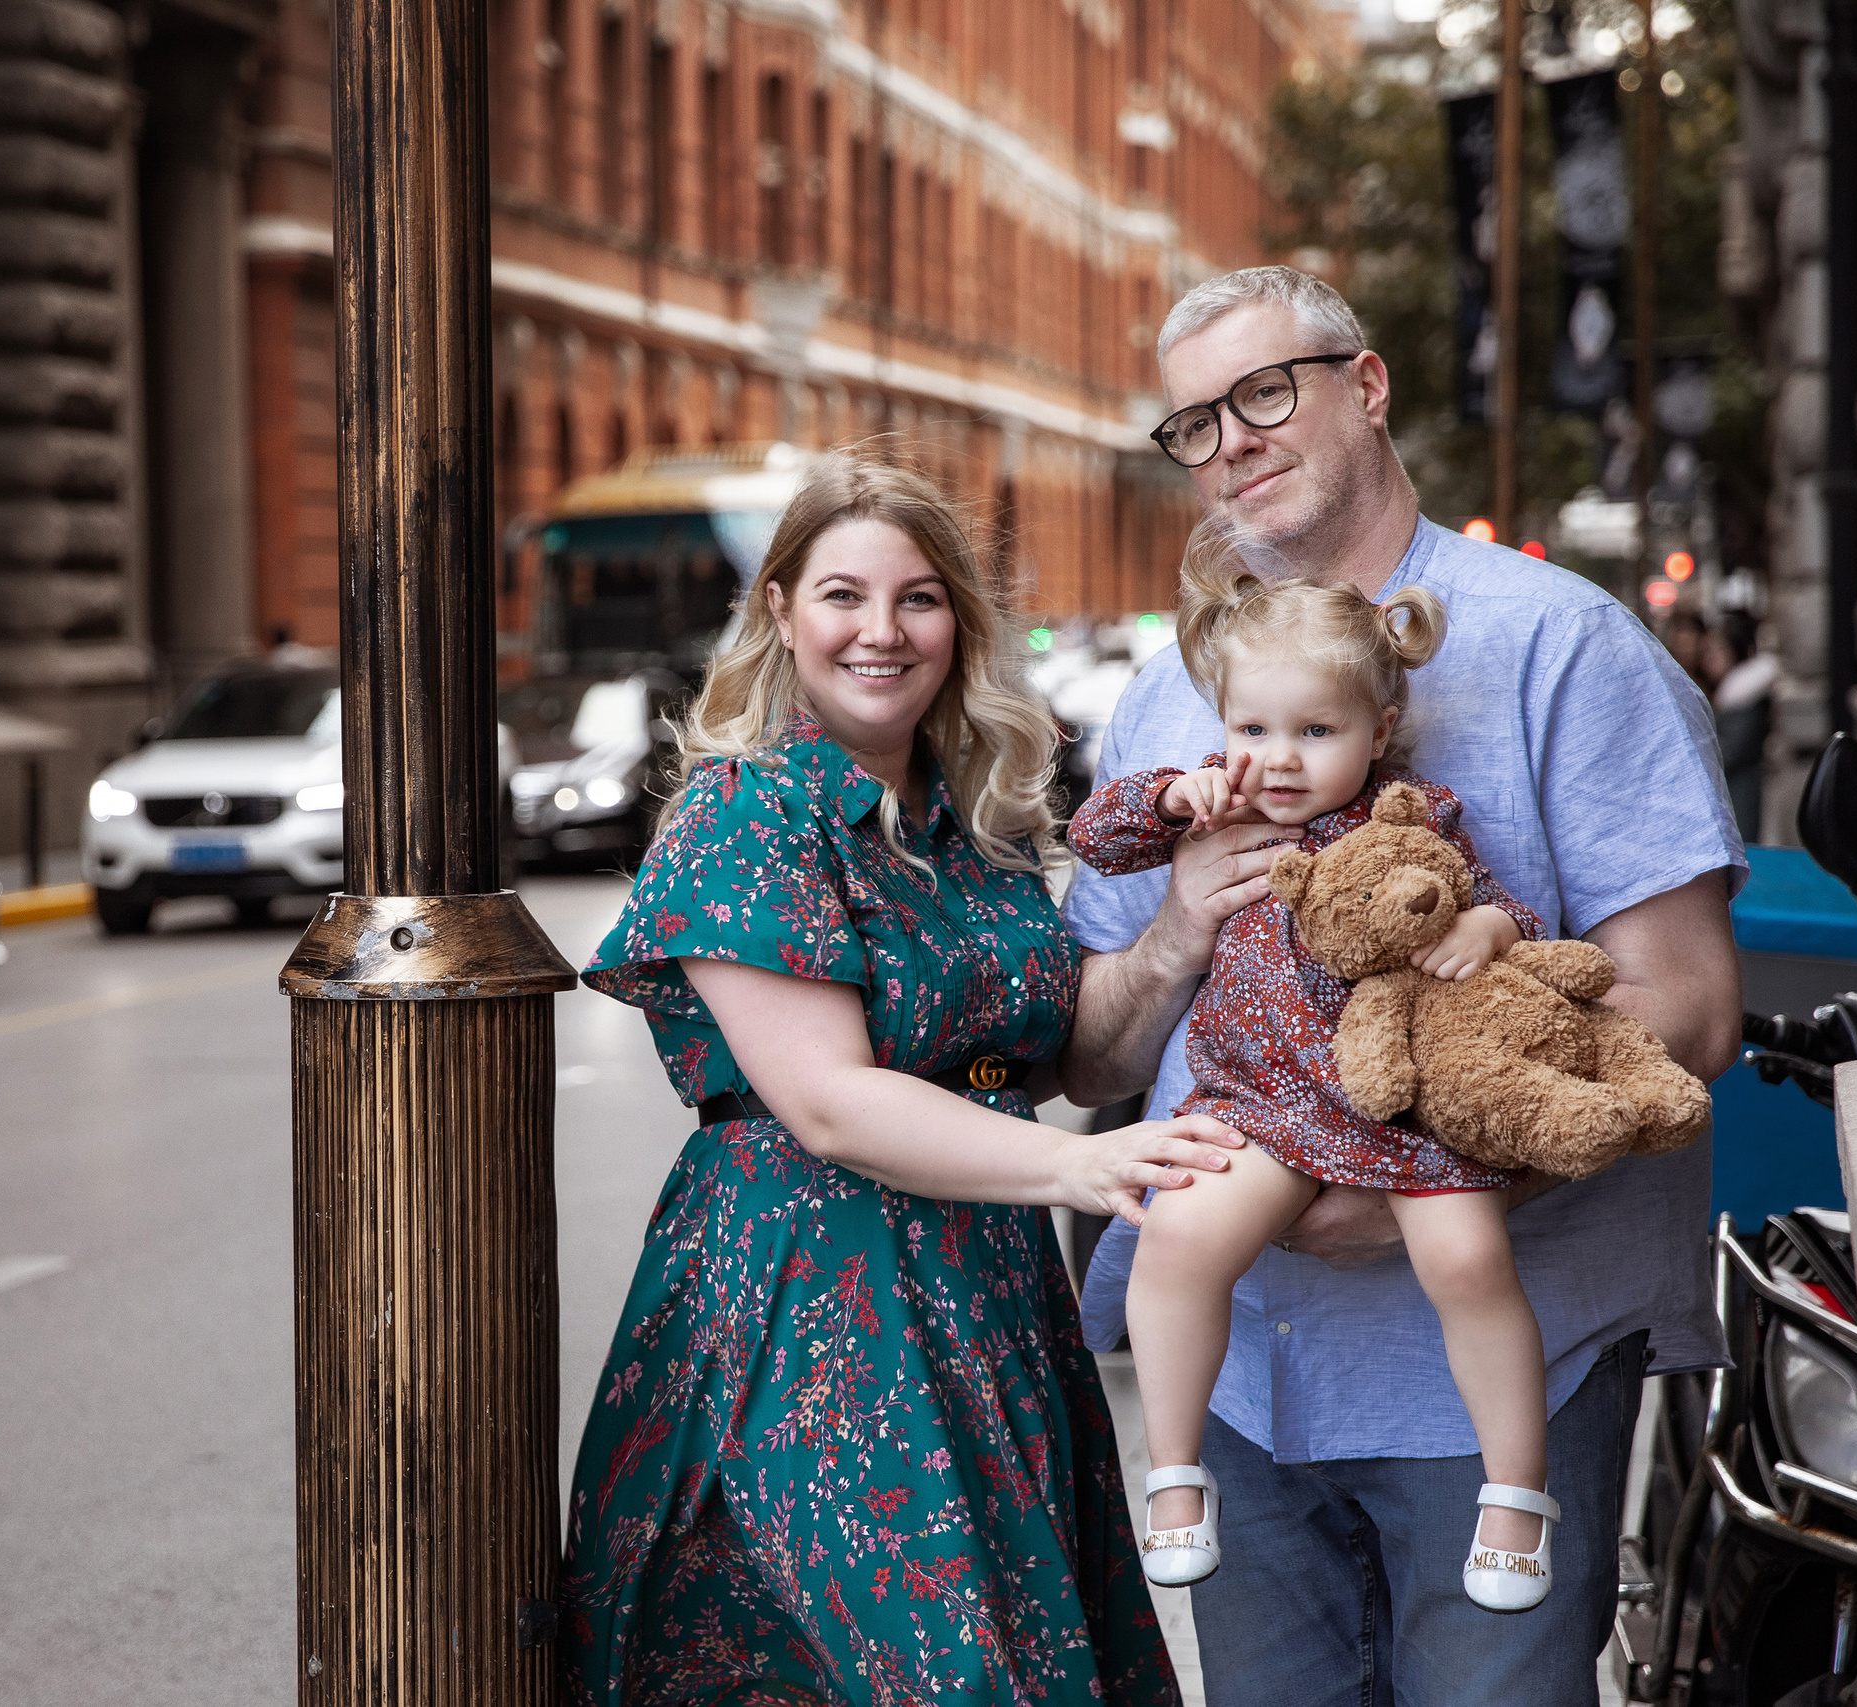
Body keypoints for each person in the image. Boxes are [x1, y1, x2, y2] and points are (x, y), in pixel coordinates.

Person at [1062, 267, 1743, 1705]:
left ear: (1364, 388)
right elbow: (1092, 1047)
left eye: (1264, 392)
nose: (1231, 439)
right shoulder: (1169, 696)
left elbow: (1688, 1004)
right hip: (1242, 1375)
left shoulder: (1563, 642)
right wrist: (1178, 930)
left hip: (1504, 1353)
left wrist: (1420, 1187)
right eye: (1192, 421)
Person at [558, 454, 1240, 1707]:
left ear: (959, 627)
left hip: (982, 1295)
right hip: (809, 1296)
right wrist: (1077, 1164)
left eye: (920, 599)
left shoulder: (968, 818)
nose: (882, 631)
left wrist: (1178, 932)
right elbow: (825, 1102)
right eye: (842, 596)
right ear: (779, 611)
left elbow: (1070, 1057)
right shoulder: (743, 812)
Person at [1070, 528, 1569, 1615]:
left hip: (1397, 1106)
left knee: (1470, 1258)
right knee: (1178, 1237)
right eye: (1252, 727)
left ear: (1379, 730)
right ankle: (1171, 1472)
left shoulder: (1407, 819)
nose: (1281, 756)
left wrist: (1486, 925)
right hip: (1261, 1103)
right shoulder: (1222, 811)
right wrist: (1170, 798)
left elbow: (1495, 904)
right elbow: (1093, 831)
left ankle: (1516, 1489)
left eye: (1316, 729)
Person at [1701, 611, 1776, 839]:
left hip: (1741, 794)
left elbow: (1730, 751)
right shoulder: (1730, 694)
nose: (1710, 658)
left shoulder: (1745, 694)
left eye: (1719, 650)